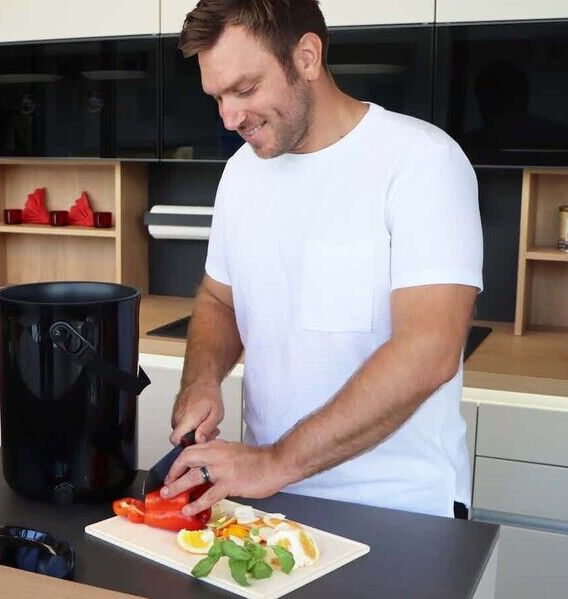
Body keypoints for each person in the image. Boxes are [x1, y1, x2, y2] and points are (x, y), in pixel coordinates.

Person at [159, 0, 483, 519]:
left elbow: (430, 350)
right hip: (267, 504)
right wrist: (201, 379)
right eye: (217, 96)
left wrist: (274, 462)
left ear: (307, 57)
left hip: (398, 510)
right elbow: (220, 299)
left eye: (244, 89)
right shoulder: (242, 174)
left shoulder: (423, 163)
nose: (229, 117)